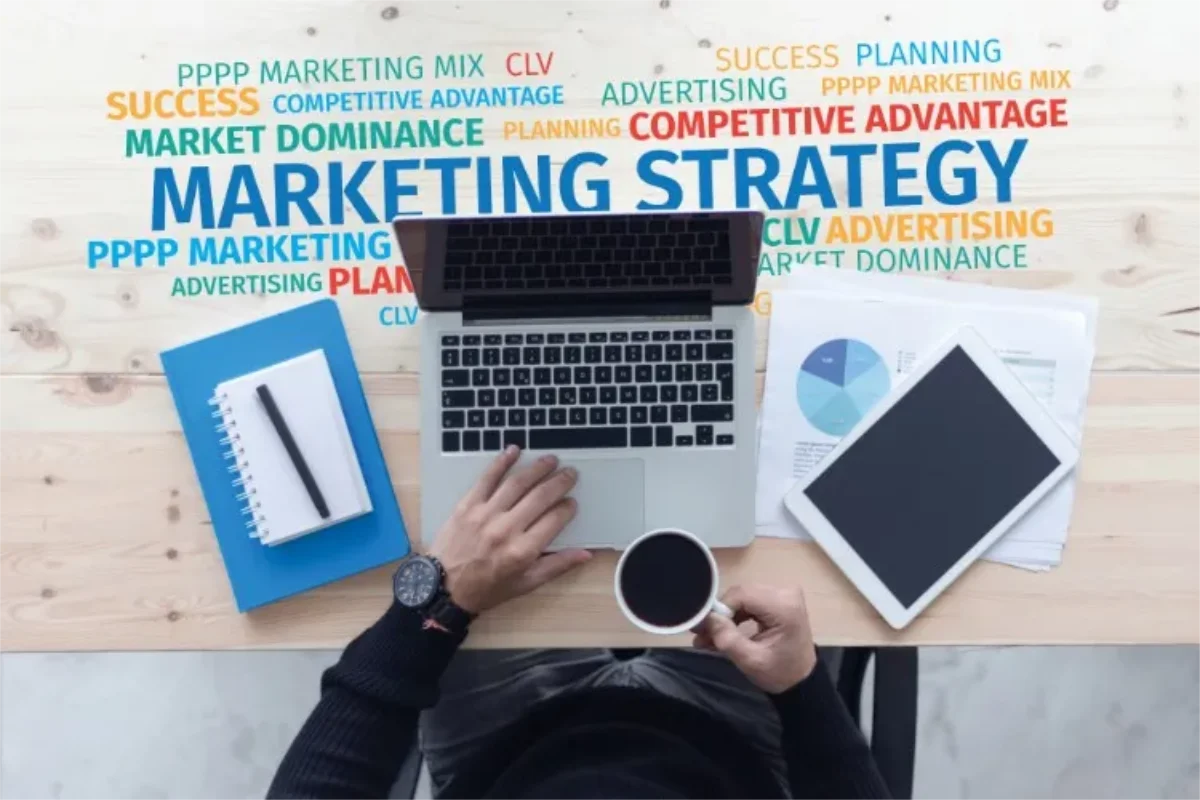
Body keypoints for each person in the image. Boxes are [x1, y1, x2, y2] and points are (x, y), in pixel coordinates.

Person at [268, 447, 893, 799]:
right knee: (766, 499)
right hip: (729, 744)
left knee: (470, 489)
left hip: (505, 744)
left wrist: (437, 602)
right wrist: (801, 687)